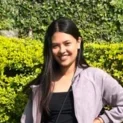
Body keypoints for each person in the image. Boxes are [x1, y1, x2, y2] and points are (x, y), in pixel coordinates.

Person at [21, 17, 123, 123]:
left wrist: (102, 120)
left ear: (78, 42)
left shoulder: (95, 77)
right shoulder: (43, 83)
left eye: (67, 43)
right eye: (55, 46)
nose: (62, 50)